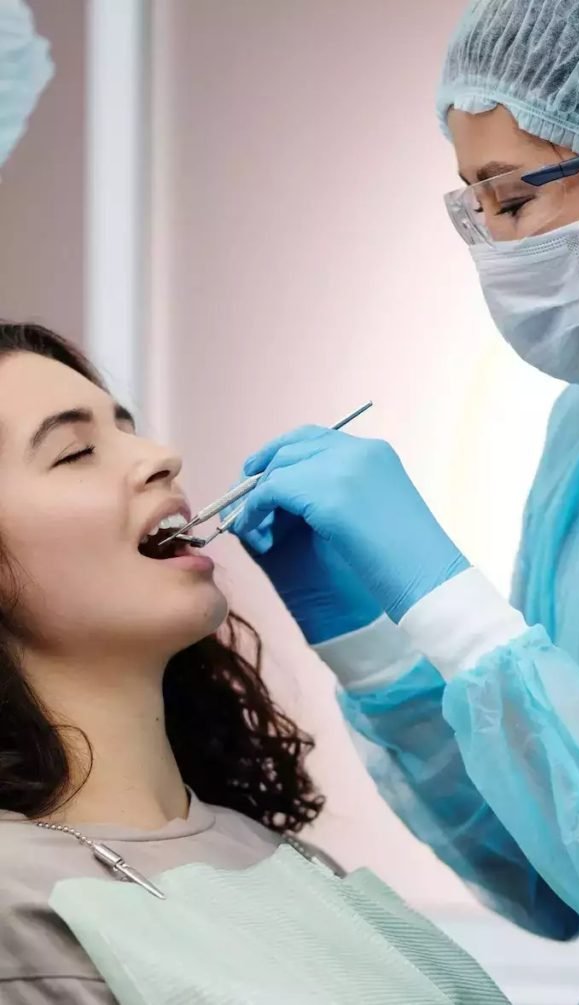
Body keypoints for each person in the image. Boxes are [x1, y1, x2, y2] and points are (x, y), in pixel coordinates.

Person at [227, 1, 579, 1003]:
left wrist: (464, 615)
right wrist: (379, 645)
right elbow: (554, 876)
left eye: (512, 201)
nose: (491, 250)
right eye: (470, 209)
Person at [0, 323, 510, 1005]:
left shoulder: (290, 862)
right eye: (76, 451)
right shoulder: (17, 905)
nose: (161, 456)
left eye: (129, 428)